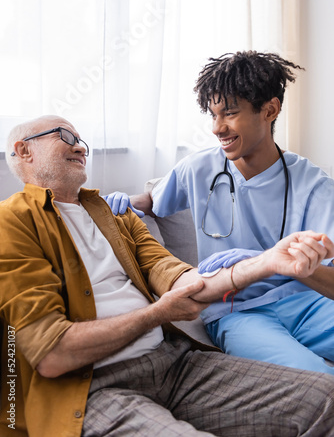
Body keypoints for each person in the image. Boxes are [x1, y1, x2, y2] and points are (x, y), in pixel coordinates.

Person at [1, 116, 334, 437]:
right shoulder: (12, 222)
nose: (80, 148)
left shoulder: (115, 218)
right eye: (66, 136)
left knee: (327, 398)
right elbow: (52, 355)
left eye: (82, 141)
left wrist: (268, 262)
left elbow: (184, 281)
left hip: (176, 365)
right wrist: (157, 313)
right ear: (24, 150)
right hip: (94, 386)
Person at [106, 51, 334, 374]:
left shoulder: (313, 185)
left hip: (304, 302)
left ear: (270, 110)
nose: (217, 128)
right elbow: (154, 200)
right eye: (213, 115)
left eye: (229, 113)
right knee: (318, 380)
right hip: (234, 310)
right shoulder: (199, 169)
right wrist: (127, 201)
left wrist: (294, 267)